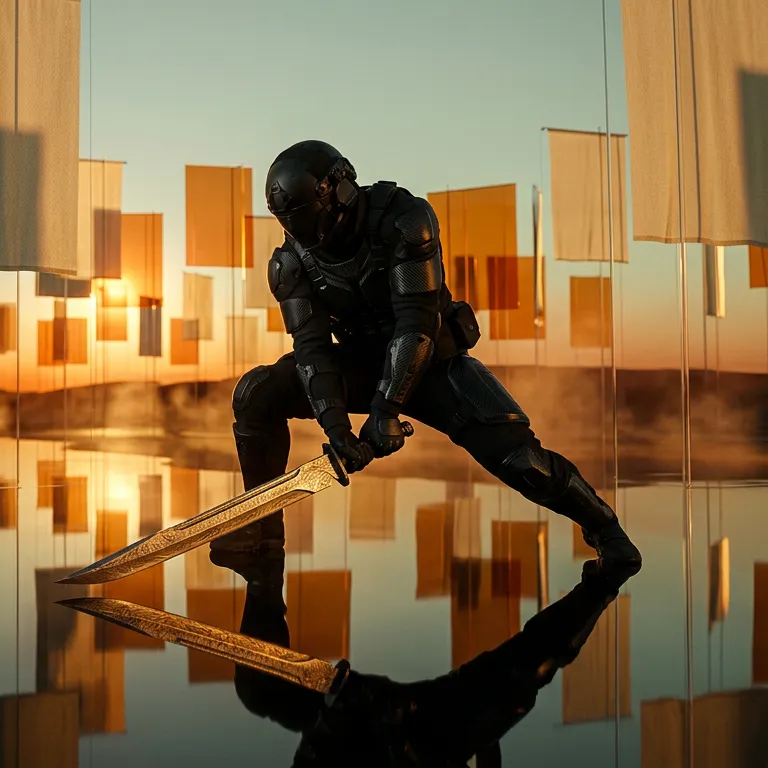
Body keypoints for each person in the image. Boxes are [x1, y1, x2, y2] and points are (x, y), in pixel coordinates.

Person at [217, 139, 640, 582]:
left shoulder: (403, 220)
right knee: (257, 393)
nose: (300, 232)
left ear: (337, 190)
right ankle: (260, 532)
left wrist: (384, 412)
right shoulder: (291, 263)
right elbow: (311, 349)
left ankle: (606, 530)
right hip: (363, 365)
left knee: (522, 462)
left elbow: (416, 324)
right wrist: (336, 428)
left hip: (433, 365)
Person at [223, 546, 628, 766]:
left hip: (356, 722)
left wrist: (336, 715)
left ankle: (264, 569)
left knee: (259, 688)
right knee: (522, 678)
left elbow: (316, 755)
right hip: (418, 740)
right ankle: (604, 583)